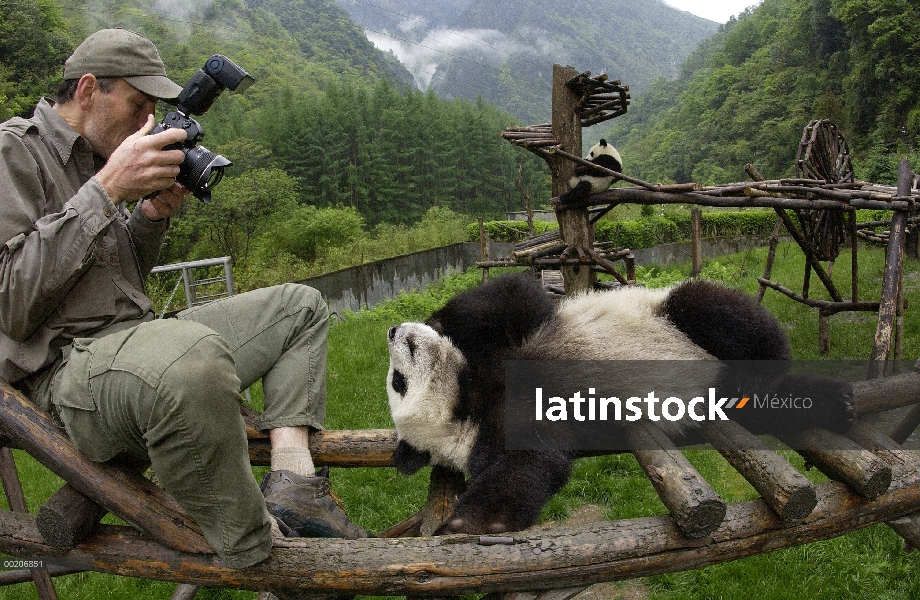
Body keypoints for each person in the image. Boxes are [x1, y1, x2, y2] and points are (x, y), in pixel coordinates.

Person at [0, 28, 365, 569]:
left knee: (299, 306)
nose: (147, 120)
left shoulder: (98, 155)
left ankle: (295, 482)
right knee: (189, 360)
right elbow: (11, 300)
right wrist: (107, 190)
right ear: (88, 89)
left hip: (134, 343)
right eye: (138, 104)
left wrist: (148, 218)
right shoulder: (14, 151)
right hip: (64, 374)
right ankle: (257, 548)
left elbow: (114, 281)